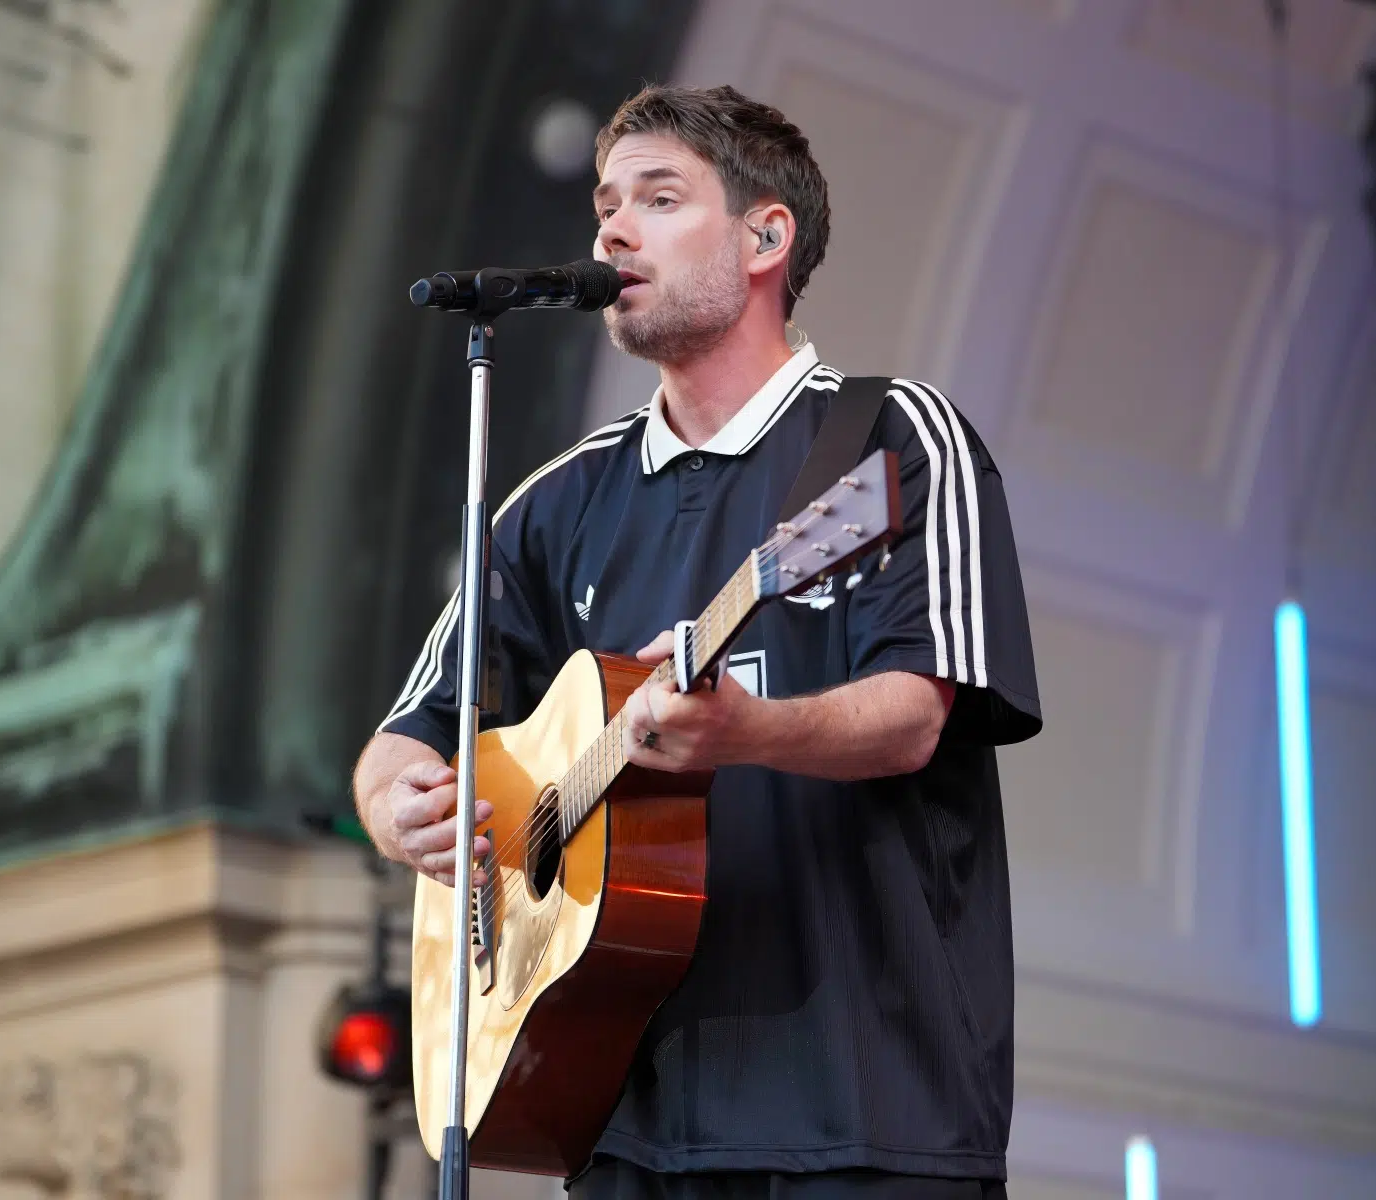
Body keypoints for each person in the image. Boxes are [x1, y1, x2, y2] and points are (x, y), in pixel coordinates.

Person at [354, 84, 1042, 1200]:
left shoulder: (887, 440)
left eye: (659, 199)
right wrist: (402, 809)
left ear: (766, 238)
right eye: (604, 205)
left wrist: (748, 732)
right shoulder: (556, 503)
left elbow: (919, 714)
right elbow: (410, 735)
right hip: (620, 1122)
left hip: (870, 1119)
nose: (612, 232)